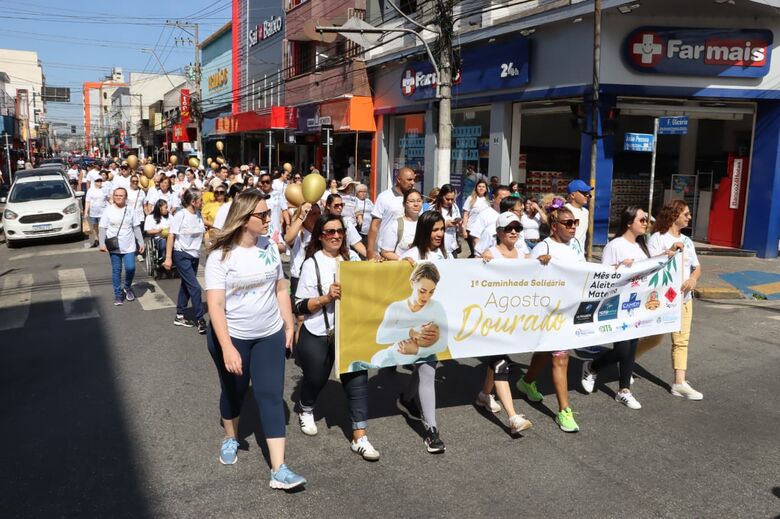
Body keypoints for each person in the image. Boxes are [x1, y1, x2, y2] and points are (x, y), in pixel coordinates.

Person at [204, 191, 306, 490]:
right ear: (244, 218)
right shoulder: (221, 255)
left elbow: (280, 289)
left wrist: (288, 325)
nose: (268, 219)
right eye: (262, 215)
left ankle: (279, 469)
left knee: (271, 396)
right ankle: (230, 437)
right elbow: (216, 306)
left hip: (269, 335)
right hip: (233, 337)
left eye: (268, 213)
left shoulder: (269, 247)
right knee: (234, 392)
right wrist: (227, 348)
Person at [293, 214, 381, 461]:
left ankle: (359, 437)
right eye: (330, 232)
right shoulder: (312, 264)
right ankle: (306, 407)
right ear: (320, 236)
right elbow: (299, 305)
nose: (336, 236)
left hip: (350, 332)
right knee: (316, 379)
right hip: (319, 332)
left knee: (357, 381)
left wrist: (381, 266)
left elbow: (372, 282)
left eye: (340, 231)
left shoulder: (351, 259)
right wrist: (326, 298)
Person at [517, 202, 583, 432]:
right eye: (568, 223)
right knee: (560, 357)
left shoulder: (575, 245)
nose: (573, 227)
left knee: (546, 352)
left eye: (575, 222)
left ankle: (526, 382)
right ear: (554, 226)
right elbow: (527, 279)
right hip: (549, 312)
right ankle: (564, 411)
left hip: (569, 309)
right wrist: (538, 264)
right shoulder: (543, 247)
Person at [581, 206, 650, 410]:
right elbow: (604, 275)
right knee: (622, 350)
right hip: (617, 305)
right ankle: (592, 366)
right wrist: (619, 267)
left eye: (646, 219)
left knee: (632, 348)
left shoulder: (642, 246)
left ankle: (624, 390)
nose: (646, 223)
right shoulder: (615, 245)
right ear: (629, 222)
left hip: (637, 304)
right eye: (642, 220)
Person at [635, 200, 704, 400]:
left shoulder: (688, 241)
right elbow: (649, 265)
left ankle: (679, 383)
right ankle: (626, 362)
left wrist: (693, 279)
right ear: (674, 215)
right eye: (686, 214)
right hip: (662, 301)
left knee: (681, 341)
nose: (689, 217)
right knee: (654, 339)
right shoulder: (658, 238)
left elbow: (697, 267)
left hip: (684, 299)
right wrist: (670, 251)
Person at [379, 262, 448, 454]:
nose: (426, 297)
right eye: (422, 291)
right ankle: (407, 399)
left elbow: (442, 343)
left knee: (427, 372)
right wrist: (410, 332)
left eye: (431, 292)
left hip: (422, 352)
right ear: (412, 283)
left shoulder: (437, 307)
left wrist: (416, 350)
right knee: (421, 370)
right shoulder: (396, 307)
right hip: (396, 352)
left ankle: (432, 431)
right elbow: (380, 337)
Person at [477, 211, 533, 435]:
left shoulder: (523, 256)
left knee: (496, 360)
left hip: (513, 318)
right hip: (492, 319)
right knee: (501, 363)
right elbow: (474, 279)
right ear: (499, 232)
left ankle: (484, 395)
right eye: (508, 228)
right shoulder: (489, 254)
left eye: (517, 228)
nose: (513, 232)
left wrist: (543, 262)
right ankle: (513, 417)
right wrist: (481, 263)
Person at [164, 188, 207, 333]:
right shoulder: (180, 215)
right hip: (181, 254)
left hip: (194, 256)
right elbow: (171, 236)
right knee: (195, 287)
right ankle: (200, 319)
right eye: (201, 200)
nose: (203, 202)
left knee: (186, 285)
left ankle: (180, 315)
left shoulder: (199, 214)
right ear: (193, 202)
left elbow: (202, 233)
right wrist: (168, 258)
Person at [98, 187, 145, 306]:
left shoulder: (131, 210)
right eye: (116, 195)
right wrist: (102, 243)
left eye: (121, 195)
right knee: (116, 270)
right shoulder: (108, 210)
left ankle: (127, 287)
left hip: (129, 245)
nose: (118, 197)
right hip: (114, 246)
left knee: (130, 268)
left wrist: (141, 242)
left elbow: (136, 227)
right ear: (113, 197)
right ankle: (118, 294)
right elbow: (102, 227)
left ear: (125, 197)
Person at [367, 167, 417, 259]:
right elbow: (374, 226)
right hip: (385, 253)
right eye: (409, 180)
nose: (413, 183)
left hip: (408, 253)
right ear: (399, 180)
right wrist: (370, 251)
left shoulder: (415, 199)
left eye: (414, 179)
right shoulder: (385, 197)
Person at [378, 189, 422, 260]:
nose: (416, 204)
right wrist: (402, 259)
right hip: (404, 266)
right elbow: (385, 252)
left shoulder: (426, 223)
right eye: (411, 201)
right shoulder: (396, 225)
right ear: (404, 204)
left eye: (419, 201)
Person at [471, 185, 512, 257]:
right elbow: (476, 238)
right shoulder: (484, 214)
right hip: (488, 259)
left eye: (508, 199)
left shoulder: (512, 215)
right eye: (502, 199)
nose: (505, 202)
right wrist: (482, 256)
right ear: (493, 198)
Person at [462, 179, 490, 257]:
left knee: (480, 252)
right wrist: (464, 230)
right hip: (471, 229)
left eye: (483, 187)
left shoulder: (487, 200)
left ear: (486, 189)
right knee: (475, 251)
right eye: (479, 186)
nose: (481, 188)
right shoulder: (470, 198)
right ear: (476, 188)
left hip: (482, 231)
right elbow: (466, 214)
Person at [433, 184, 462, 258]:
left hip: (452, 249)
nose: (450, 202)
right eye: (447, 199)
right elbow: (429, 229)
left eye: (452, 199)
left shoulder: (455, 207)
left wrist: (459, 224)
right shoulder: (433, 209)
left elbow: (459, 229)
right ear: (441, 196)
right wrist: (445, 224)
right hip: (438, 250)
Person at [564, 179, 592, 246]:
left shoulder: (585, 211)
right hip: (567, 250)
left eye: (587, 193)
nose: (587, 196)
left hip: (580, 251)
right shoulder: (566, 211)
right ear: (572, 195)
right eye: (584, 193)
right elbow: (564, 234)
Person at [84, 176, 108, 248]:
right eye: (97, 181)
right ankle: (96, 239)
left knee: (102, 226)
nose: (99, 182)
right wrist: (86, 212)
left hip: (103, 211)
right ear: (94, 182)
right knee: (95, 227)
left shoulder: (104, 189)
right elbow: (87, 201)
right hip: (93, 212)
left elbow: (108, 199)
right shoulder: (90, 190)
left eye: (100, 181)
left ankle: (103, 240)